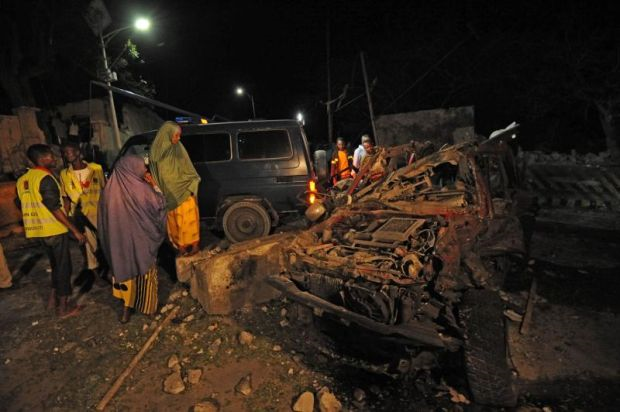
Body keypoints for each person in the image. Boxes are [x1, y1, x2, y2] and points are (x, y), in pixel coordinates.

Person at [16, 144, 86, 317]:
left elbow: (21, 202)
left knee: (55, 265)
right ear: (43, 158)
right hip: (53, 229)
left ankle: (52, 300)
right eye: (51, 156)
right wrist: (74, 230)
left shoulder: (23, 180)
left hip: (37, 231)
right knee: (64, 268)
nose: (55, 159)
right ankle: (63, 308)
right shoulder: (45, 178)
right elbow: (54, 207)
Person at [98, 155, 167, 323]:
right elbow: (159, 205)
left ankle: (126, 310)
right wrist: (154, 185)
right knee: (145, 273)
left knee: (124, 273)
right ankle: (149, 309)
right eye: (142, 166)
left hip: (118, 245)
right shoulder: (142, 189)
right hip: (141, 243)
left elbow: (103, 221)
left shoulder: (108, 191)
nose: (144, 170)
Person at [149, 121, 201, 256]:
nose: (178, 138)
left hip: (183, 189)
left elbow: (187, 166)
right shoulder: (155, 151)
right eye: (176, 135)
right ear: (167, 134)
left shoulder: (178, 148)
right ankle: (180, 247)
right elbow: (154, 171)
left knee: (189, 219)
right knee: (174, 221)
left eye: (179, 135)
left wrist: (191, 183)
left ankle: (194, 245)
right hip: (168, 192)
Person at [60, 142, 105, 281]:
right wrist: (67, 218)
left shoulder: (96, 168)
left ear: (78, 152)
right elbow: (65, 197)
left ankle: (113, 269)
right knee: (89, 245)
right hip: (80, 215)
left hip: (99, 212)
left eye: (69, 151)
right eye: (64, 153)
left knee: (107, 243)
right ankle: (96, 273)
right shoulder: (64, 174)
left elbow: (105, 189)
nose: (67, 155)